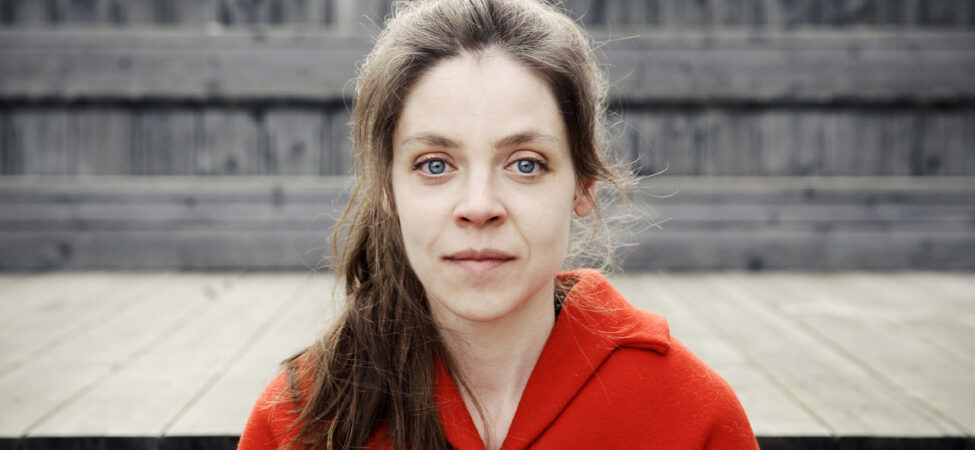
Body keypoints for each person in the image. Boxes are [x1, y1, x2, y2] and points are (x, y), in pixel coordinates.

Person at [238, 0, 758, 448]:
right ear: (389, 190)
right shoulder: (296, 422)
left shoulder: (692, 415)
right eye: (435, 165)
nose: (479, 205)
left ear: (583, 185)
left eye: (525, 163)